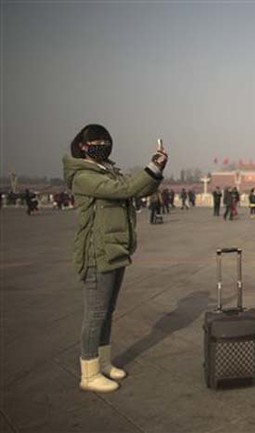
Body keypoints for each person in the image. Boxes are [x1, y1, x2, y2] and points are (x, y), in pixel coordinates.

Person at [63, 124, 167, 393]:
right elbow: (123, 190)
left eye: (106, 140)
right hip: (97, 250)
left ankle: (104, 363)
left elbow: (138, 190)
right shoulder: (82, 175)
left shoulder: (107, 170)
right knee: (95, 313)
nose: (102, 144)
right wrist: (150, 167)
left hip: (116, 247)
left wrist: (156, 171)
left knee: (108, 311)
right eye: (96, 141)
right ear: (83, 146)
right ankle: (88, 372)